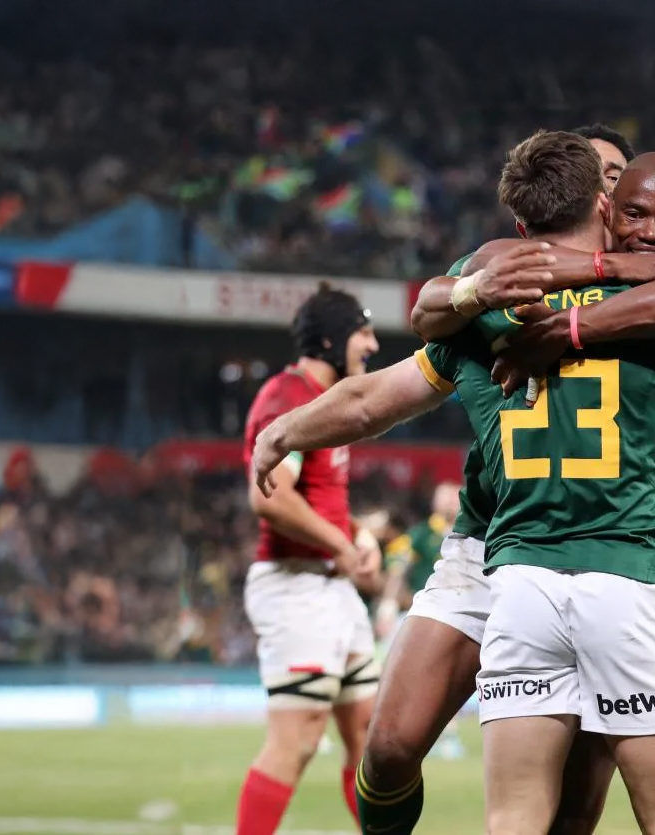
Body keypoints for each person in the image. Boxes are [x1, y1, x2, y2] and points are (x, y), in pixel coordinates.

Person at [254, 131, 655, 835]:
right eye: (622, 199)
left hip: (571, 570)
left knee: (544, 811)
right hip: (600, 567)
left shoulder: (495, 303)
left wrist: (284, 430)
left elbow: (387, 377)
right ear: (602, 203)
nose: (647, 226)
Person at [236, 284, 383, 835]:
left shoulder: (325, 401)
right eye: (362, 331)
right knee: (296, 741)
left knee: (368, 738)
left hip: (329, 588)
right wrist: (343, 546)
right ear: (330, 339)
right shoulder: (290, 398)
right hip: (294, 586)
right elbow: (268, 495)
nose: (370, 343)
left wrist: (357, 539)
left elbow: (317, 493)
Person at [374, 483, 468, 761]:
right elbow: (396, 566)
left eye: (452, 498)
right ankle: (392, 730)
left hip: (465, 614)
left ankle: (447, 736)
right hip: (426, 615)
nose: (449, 503)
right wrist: (389, 605)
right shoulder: (421, 535)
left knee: (451, 679)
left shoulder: (473, 531)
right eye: (443, 498)